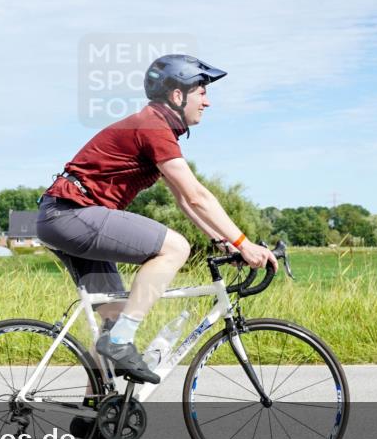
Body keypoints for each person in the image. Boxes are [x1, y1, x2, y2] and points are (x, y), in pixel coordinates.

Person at [36, 54, 277, 384]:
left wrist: (222, 240)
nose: (207, 102)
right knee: (175, 248)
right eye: (202, 92)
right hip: (73, 213)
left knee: (114, 315)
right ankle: (120, 342)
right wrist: (243, 243)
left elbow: (183, 201)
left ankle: (97, 411)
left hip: (63, 216)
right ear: (178, 96)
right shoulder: (153, 127)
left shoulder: (152, 125)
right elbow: (197, 195)